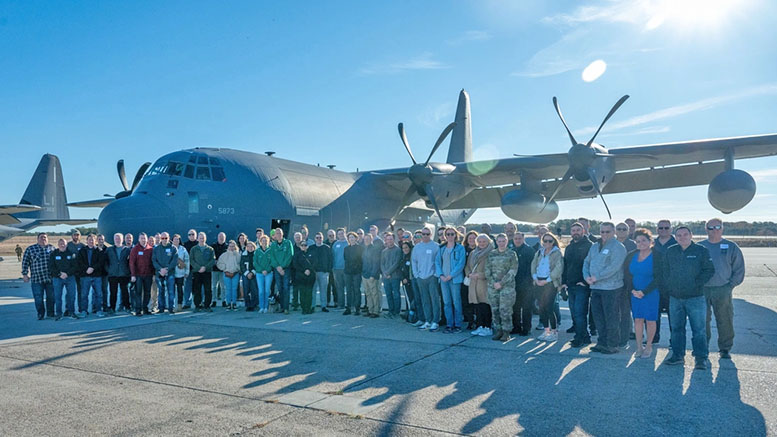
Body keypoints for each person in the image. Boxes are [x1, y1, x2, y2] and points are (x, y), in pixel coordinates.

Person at [663, 226, 715, 370]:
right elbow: (664, 270)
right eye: (679, 235)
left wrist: (696, 284)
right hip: (675, 298)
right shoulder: (671, 251)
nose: (682, 237)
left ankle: (700, 358)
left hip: (695, 297)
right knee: (677, 328)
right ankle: (677, 356)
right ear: (675, 237)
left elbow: (709, 270)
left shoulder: (701, 251)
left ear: (691, 235)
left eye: (685, 234)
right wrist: (670, 286)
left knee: (699, 329)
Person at [699, 218, 745, 359]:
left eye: (717, 227)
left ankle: (725, 348)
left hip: (723, 289)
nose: (715, 230)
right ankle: (702, 347)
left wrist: (730, 285)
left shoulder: (731, 246)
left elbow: (739, 269)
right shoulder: (700, 246)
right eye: (711, 228)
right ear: (706, 229)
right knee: (702, 320)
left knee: (725, 319)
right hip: (703, 290)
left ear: (722, 228)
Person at [583, 222, 627, 354]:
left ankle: (612, 344)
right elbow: (586, 262)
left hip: (611, 288)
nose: (604, 234)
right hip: (595, 287)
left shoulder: (618, 247)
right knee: (598, 317)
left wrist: (597, 277)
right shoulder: (595, 246)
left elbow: (614, 267)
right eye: (602, 231)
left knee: (611, 317)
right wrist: (586, 277)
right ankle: (601, 343)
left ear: (614, 232)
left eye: (608, 232)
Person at [624, 228, 663, 358]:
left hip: (651, 293)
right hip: (635, 293)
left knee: (651, 320)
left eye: (644, 240)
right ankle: (639, 347)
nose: (641, 243)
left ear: (650, 241)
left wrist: (644, 292)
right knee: (638, 320)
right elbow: (627, 275)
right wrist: (633, 290)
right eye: (638, 241)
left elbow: (659, 277)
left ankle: (649, 346)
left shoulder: (657, 255)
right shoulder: (631, 255)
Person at [562, 223, 593, 347]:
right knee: (574, 312)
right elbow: (566, 265)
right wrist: (563, 282)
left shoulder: (589, 246)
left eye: (578, 230)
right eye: (573, 230)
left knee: (580, 312)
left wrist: (585, 281)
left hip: (582, 286)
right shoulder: (569, 247)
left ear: (583, 231)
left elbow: (592, 265)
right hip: (570, 285)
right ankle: (585, 336)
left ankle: (579, 337)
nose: (575, 232)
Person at [485, 234, 519, 342]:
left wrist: (502, 282)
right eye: (499, 241)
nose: (501, 243)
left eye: (503, 241)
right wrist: (493, 282)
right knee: (494, 310)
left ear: (507, 241)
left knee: (505, 310)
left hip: (507, 287)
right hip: (493, 286)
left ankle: (506, 332)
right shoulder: (492, 254)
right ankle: (498, 330)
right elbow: (487, 270)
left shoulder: (511, 254)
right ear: (496, 242)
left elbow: (513, 270)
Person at [531, 232, 564, 342]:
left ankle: (554, 332)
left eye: (550, 241)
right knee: (541, 308)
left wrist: (547, 280)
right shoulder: (540, 252)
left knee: (549, 308)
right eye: (545, 241)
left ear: (553, 241)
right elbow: (534, 265)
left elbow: (558, 269)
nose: (547, 243)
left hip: (550, 283)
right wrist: (535, 278)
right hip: (538, 282)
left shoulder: (557, 253)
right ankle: (546, 331)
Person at [435, 228, 466, 333]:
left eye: (452, 234)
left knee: (456, 302)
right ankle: (449, 324)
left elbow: (461, 264)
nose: (450, 236)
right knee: (447, 302)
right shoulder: (441, 248)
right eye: (448, 234)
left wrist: (451, 275)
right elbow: (437, 263)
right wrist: (441, 275)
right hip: (443, 280)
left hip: (455, 279)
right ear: (445, 235)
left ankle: (457, 325)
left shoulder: (460, 248)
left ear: (455, 235)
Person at [465, 234, 494, 337]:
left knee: (485, 306)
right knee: (477, 306)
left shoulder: (491, 253)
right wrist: (469, 274)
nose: (482, 243)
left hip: (484, 283)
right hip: (473, 283)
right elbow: (467, 266)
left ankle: (488, 327)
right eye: (480, 241)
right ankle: (480, 326)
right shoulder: (473, 253)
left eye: (484, 241)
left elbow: (492, 269)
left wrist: (480, 275)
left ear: (488, 242)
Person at [22, 233, 55, 320]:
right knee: (38, 298)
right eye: (41, 237)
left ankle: (50, 313)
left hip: (50, 278)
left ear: (47, 239)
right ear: (37, 239)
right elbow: (25, 262)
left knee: (51, 297)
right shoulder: (31, 249)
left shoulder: (52, 248)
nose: (43, 239)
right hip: (37, 279)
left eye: (45, 237)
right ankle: (40, 313)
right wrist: (25, 274)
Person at [412, 227, 440, 332]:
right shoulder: (417, 247)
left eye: (427, 234)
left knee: (434, 300)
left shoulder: (436, 246)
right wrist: (416, 275)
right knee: (425, 300)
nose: (425, 236)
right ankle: (428, 320)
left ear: (431, 234)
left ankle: (435, 321)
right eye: (423, 234)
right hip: (421, 277)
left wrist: (436, 275)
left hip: (432, 277)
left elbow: (438, 262)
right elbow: (414, 262)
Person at [77, 234, 107, 317]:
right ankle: (84, 311)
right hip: (85, 276)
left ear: (95, 241)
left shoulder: (99, 251)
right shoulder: (82, 250)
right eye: (89, 240)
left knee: (99, 294)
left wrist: (92, 268)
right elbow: (79, 262)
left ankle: (98, 310)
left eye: (93, 240)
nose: (91, 241)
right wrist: (87, 269)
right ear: (86, 241)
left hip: (97, 276)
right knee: (84, 295)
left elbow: (101, 262)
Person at [512, 232, 536, 336]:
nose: (517, 240)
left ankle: (526, 328)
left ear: (523, 239)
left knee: (527, 307)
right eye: (516, 238)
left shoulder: (529, 250)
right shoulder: (512, 250)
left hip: (527, 284)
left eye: (519, 238)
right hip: (515, 284)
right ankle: (516, 327)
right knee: (515, 307)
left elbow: (533, 267)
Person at [49, 238, 79, 319]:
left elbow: (75, 266)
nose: (62, 245)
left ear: (66, 244)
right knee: (58, 296)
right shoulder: (54, 254)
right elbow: (51, 267)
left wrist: (67, 274)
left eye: (64, 244)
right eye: (60, 243)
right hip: (57, 278)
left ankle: (71, 312)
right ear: (58, 245)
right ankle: (59, 313)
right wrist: (59, 274)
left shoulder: (71, 253)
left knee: (71, 296)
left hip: (70, 277)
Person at [269, 228, 294, 314]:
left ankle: (286, 308)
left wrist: (282, 267)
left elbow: (290, 255)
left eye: (280, 233)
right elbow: (272, 257)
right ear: (274, 235)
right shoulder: (273, 245)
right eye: (277, 233)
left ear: (283, 234)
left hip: (286, 269)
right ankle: (282, 307)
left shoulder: (288, 243)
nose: (278, 234)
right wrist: (278, 267)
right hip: (277, 269)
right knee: (280, 288)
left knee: (286, 288)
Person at [129, 233, 154, 316]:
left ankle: (145, 308)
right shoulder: (135, 249)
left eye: (144, 238)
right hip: (138, 275)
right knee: (138, 292)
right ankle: (138, 310)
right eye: (142, 238)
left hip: (148, 275)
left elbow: (153, 262)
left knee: (147, 292)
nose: (143, 240)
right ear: (139, 239)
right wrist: (133, 275)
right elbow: (132, 263)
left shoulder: (150, 249)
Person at [152, 232, 177, 314]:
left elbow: (174, 261)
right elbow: (154, 260)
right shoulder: (156, 249)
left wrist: (167, 269)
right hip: (159, 273)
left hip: (170, 273)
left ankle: (171, 308)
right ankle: (161, 308)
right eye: (162, 238)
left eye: (166, 238)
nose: (164, 240)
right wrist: (160, 269)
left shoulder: (173, 248)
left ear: (169, 238)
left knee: (171, 291)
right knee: (161, 291)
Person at [190, 232, 216, 313]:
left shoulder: (210, 249)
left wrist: (205, 267)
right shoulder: (194, 249)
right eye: (200, 238)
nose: (202, 239)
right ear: (197, 239)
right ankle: (197, 305)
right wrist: (198, 268)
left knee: (208, 289)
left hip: (207, 272)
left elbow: (213, 260)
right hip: (197, 272)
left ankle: (207, 305)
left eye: (203, 238)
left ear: (205, 239)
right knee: (197, 289)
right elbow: (191, 260)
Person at [106, 233, 131, 314]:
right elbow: (105, 261)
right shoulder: (109, 249)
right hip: (113, 275)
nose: (117, 239)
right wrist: (109, 270)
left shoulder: (127, 249)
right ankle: (112, 308)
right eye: (116, 238)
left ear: (122, 239)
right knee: (113, 292)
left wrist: (128, 271)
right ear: (114, 239)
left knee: (125, 292)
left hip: (124, 274)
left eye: (119, 238)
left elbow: (130, 262)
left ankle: (127, 307)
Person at [381, 232, 404, 318]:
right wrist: (385, 273)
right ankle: (390, 310)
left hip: (395, 277)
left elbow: (396, 263)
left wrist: (388, 272)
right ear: (385, 240)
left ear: (394, 239)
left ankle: (396, 312)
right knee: (388, 294)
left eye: (391, 239)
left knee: (396, 294)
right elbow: (382, 263)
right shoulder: (384, 251)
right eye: (387, 239)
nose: (389, 241)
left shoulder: (398, 250)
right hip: (385, 277)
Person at [309, 232, 332, 312]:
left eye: (320, 237)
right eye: (317, 237)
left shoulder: (327, 248)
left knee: (323, 290)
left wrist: (328, 271)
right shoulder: (311, 248)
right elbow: (309, 260)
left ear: (322, 238)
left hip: (324, 272)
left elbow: (330, 260)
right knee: (313, 290)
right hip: (313, 272)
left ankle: (323, 306)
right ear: (315, 238)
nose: (319, 239)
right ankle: (312, 306)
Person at [292, 238, 316, 314]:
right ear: (300, 246)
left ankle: (308, 308)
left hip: (310, 276)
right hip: (301, 276)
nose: (303, 246)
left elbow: (315, 263)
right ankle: (303, 309)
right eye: (302, 245)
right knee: (302, 293)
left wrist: (309, 270)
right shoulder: (297, 255)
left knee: (309, 293)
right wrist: (304, 270)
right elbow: (295, 265)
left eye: (305, 245)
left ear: (307, 246)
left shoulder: (312, 253)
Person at [343, 231, 364, 315]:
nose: (351, 239)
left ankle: (357, 308)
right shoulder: (346, 248)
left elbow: (361, 260)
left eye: (353, 237)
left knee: (356, 290)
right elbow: (345, 259)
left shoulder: (360, 248)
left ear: (356, 238)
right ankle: (348, 307)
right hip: (348, 272)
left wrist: (357, 268)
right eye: (350, 237)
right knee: (348, 290)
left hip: (357, 272)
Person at [361, 233, 382, 318]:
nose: (366, 241)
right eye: (365, 239)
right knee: (368, 294)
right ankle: (370, 310)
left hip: (372, 275)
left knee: (374, 293)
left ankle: (376, 311)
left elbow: (376, 263)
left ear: (371, 239)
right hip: (365, 274)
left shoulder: (374, 249)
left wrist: (373, 275)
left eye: (368, 239)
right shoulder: (364, 249)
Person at [217, 240, 242, 310]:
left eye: (233, 246)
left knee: (234, 289)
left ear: (235, 247)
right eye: (230, 246)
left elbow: (241, 264)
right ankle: (228, 303)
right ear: (228, 247)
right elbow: (219, 263)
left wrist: (237, 268)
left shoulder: (238, 255)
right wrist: (224, 268)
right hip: (226, 273)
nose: (231, 248)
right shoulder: (224, 255)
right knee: (228, 289)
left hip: (235, 274)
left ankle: (234, 303)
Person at [253, 235, 273, 313]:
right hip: (259, 273)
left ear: (268, 242)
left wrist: (267, 270)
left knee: (267, 290)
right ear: (260, 242)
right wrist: (261, 270)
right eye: (263, 241)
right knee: (261, 291)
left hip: (269, 273)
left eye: (266, 241)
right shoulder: (257, 251)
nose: (264, 242)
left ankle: (266, 307)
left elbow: (272, 262)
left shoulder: (271, 250)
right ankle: (261, 306)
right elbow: (255, 262)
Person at [67, 230, 85, 313]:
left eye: (78, 235)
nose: (76, 236)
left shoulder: (82, 246)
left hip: (80, 272)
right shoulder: (68, 246)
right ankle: (69, 309)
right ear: (72, 236)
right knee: (70, 292)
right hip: (71, 272)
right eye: (74, 235)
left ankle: (81, 308)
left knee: (80, 291)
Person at [400, 241, 417, 323]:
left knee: (412, 299)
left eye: (406, 247)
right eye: (403, 248)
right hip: (405, 282)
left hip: (411, 281)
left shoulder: (412, 257)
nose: (405, 249)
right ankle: (409, 314)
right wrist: (403, 278)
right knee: (408, 299)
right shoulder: (404, 257)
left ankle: (412, 316)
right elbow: (402, 269)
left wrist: (407, 278)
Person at [331, 228, 348, 310]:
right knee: (339, 288)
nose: (341, 235)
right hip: (337, 269)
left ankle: (350, 305)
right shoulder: (335, 244)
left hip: (346, 269)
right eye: (339, 234)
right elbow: (333, 256)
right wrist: (333, 268)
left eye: (342, 233)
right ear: (337, 235)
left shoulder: (348, 243)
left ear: (345, 233)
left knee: (349, 288)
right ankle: (341, 305)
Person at [172, 234, 189, 311]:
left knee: (180, 289)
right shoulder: (169, 248)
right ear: (172, 240)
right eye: (175, 239)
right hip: (171, 273)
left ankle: (179, 305)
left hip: (180, 273)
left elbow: (187, 261)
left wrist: (187, 271)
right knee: (171, 290)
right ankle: (171, 305)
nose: (176, 241)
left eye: (178, 239)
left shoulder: (183, 249)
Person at [182, 229, 198, 309]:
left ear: (196, 235)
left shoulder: (199, 244)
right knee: (187, 287)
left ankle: (199, 302)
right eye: (189, 234)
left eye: (193, 234)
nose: (191, 236)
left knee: (198, 287)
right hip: (188, 269)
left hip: (197, 270)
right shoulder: (185, 245)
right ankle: (187, 303)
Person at [211, 232, 228, 308]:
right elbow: (211, 256)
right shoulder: (213, 246)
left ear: (225, 238)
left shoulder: (227, 247)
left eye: (223, 237)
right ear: (217, 238)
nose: (221, 238)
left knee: (223, 286)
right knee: (214, 286)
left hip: (223, 270)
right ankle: (214, 300)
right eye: (220, 237)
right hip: (214, 269)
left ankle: (224, 300)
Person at [241, 241, 259, 311]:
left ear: (254, 247)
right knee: (246, 290)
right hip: (246, 274)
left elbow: (257, 264)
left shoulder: (256, 254)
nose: (250, 248)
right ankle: (248, 305)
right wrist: (247, 273)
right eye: (248, 246)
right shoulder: (243, 255)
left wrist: (252, 273)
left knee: (254, 289)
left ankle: (254, 304)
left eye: (251, 246)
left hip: (254, 274)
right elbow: (242, 265)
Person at [96, 234, 110, 313]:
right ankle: (95, 306)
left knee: (104, 290)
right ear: (97, 240)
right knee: (96, 291)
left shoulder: (107, 249)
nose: (101, 241)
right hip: (96, 274)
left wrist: (108, 270)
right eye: (99, 239)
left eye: (102, 239)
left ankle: (105, 306)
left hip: (105, 274)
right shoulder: (94, 249)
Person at [325, 229, 339, 308]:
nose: (331, 237)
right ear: (327, 236)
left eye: (333, 235)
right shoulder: (324, 243)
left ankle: (336, 301)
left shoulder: (337, 243)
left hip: (335, 268)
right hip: (327, 268)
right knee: (327, 286)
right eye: (330, 235)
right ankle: (327, 301)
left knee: (335, 286)